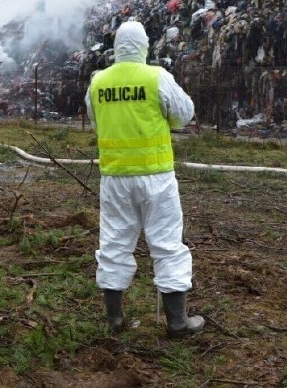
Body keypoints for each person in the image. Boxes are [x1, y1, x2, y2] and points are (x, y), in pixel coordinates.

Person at [85, 20, 204, 338]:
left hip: (115, 179)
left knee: (113, 244)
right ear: (143, 46)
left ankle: (115, 320)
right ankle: (177, 323)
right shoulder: (156, 77)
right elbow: (185, 113)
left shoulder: (98, 82)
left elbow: (96, 121)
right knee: (166, 244)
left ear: (116, 49)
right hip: (156, 178)